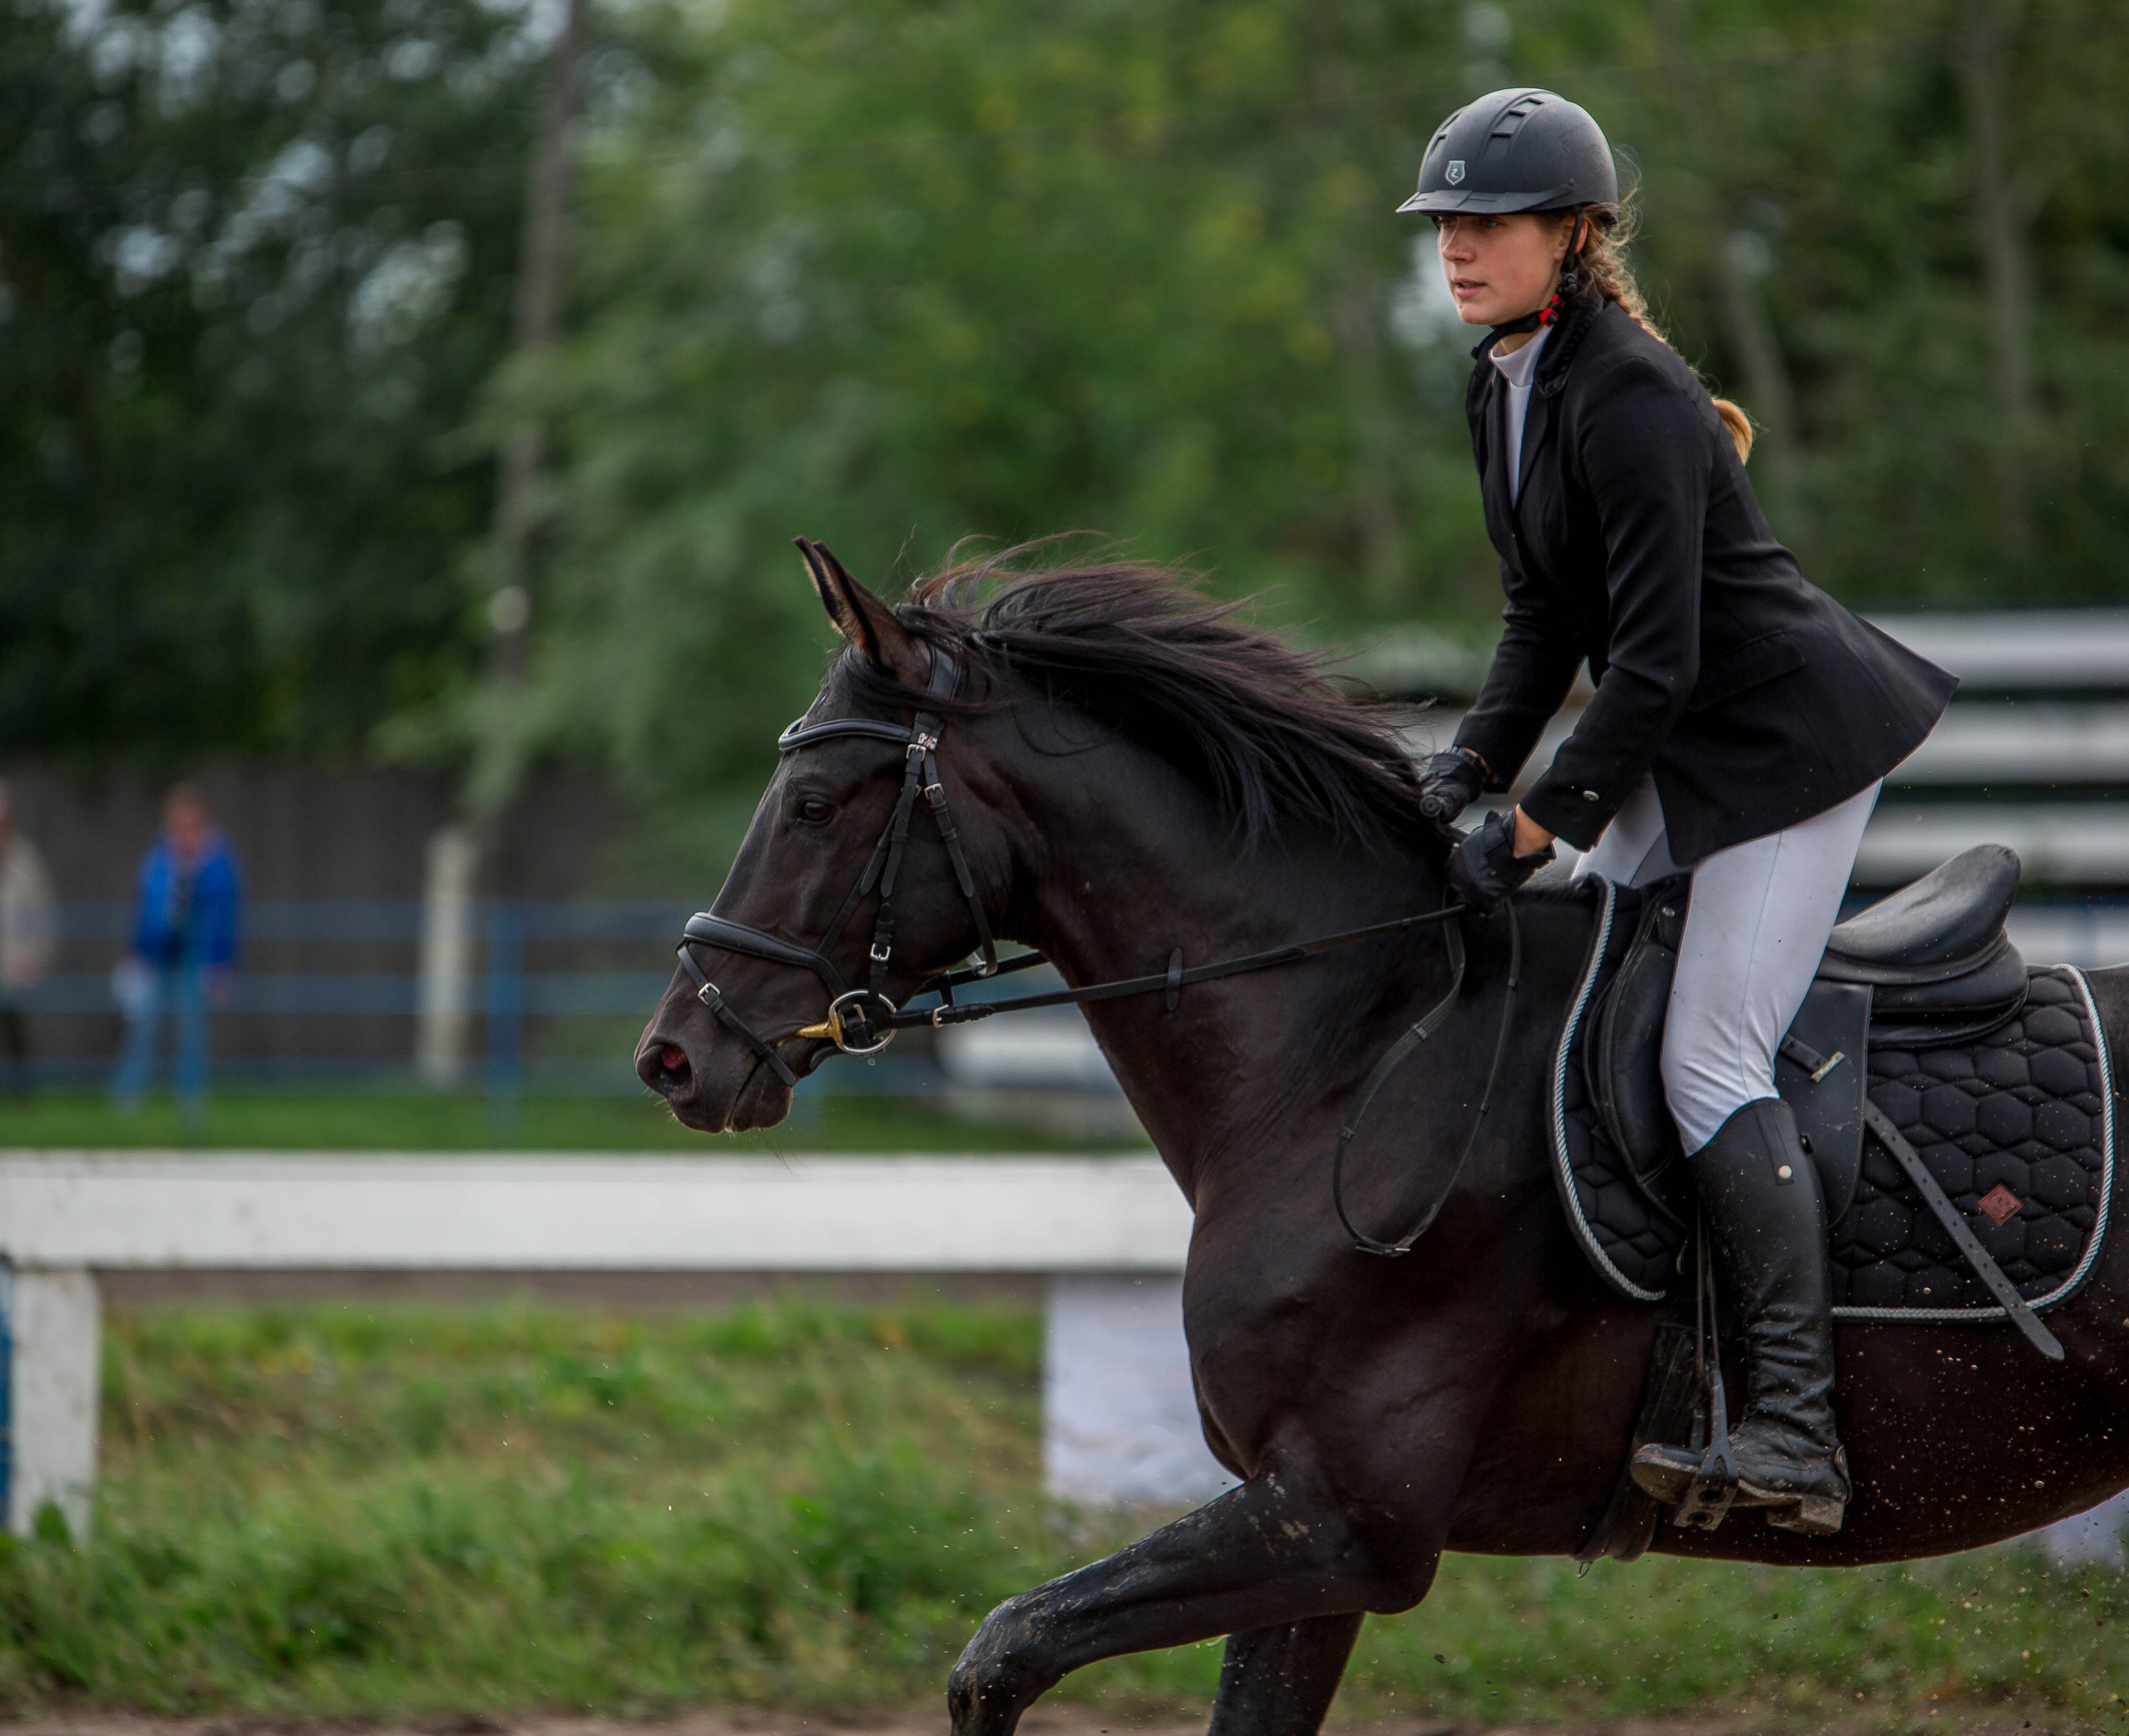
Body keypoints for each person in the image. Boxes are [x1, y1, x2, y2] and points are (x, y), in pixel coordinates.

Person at [1400, 89, 1955, 1536]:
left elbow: (1656, 656)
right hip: (1683, 741)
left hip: (1780, 746)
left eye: (1490, 224)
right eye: (1446, 225)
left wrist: (1545, 822)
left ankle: (1792, 1424)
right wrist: (1464, 770)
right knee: (1594, 990)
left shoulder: (1630, 391)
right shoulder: (1502, 377)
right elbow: (1540, 617)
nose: (1459, 249)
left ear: (1572, 234)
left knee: (1710, 1057)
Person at [112, 782, 242, 1122]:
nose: (182, 832)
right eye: (176, 825)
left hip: (195, 958)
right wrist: (134, 955)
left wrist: (220, 965)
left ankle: (191, 1107)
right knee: (143, 1031)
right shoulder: (158, 858)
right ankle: (128, 1100)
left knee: (191, 1035)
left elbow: (225, 918)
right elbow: (143, 910)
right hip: (155, 955)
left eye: (190, 825)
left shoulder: (217, 862)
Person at [0, 783, 57, 1096]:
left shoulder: (26, 861)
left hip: (13, 964)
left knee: (15, 1033)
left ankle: (22, 1095)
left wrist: (36, 957)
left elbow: (44, 914)